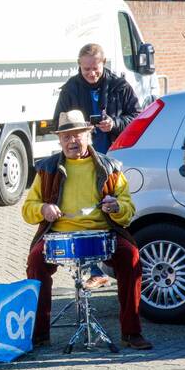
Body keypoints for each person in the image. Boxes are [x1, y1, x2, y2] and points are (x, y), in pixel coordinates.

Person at [22, 110, 153, 351]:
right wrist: (43, 209)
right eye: (66, 137)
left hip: (105, 233)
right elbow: (27, 209)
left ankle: (132, 332)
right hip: (57, 235)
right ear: (60, 141)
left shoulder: (110, 166)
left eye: (77, 135)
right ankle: (39, 334)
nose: (72, 141)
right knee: (35, 262)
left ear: (89, 135)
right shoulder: (47, 169)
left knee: (131, 257)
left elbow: (128, 207)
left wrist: (116, 206)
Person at [53, 43, 141, 289]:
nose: (90, 73)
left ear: (104, 64)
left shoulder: (120, 86)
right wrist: (76, 131)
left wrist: (114, 123)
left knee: (111, 207)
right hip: (83, 160)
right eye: (85, 69)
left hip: (113, 153)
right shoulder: (71, 88)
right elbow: (57, 120)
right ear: (79, 66)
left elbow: (137, 116)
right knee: (86, 209)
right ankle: (94, 269)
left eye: (95, 68)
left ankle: (110, 261)